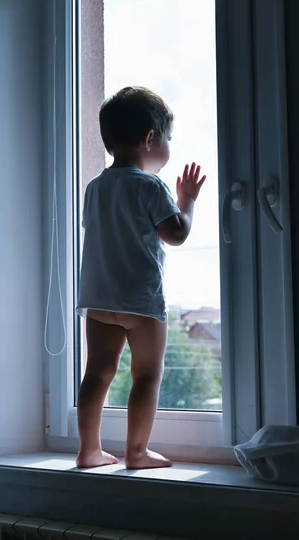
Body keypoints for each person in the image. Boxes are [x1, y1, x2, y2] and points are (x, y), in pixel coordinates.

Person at [76, 86, 206, 469]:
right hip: (140, 300)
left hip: (98, 298)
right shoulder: (150, 186)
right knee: (146, 374)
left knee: (97, 372)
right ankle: (135, 452)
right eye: (167, 139)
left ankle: (87, 450)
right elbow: (176, 234)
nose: (168, 147)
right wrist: (187, 200)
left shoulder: (95, 188)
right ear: (150, 138)